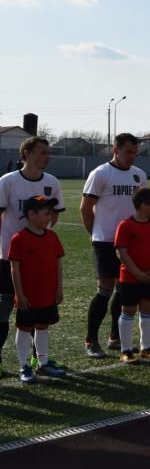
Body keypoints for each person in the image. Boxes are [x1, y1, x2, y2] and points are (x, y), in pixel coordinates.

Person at [0, 136, 65, 372]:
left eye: (48, 153)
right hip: (9, 259)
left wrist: (40, 234)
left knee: (40, 312)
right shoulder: (7, 181)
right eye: (42, 152)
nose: (47, 157)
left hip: (39, 261)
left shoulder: (52, 181)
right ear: (27, 153)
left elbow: (55, 214)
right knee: (5, 311)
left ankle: (40, 360)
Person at [81, 133, 147, 358]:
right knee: (105, 289)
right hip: (106, 241)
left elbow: (142, 209)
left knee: (124, 289)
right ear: (115, 150)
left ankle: (115, 337)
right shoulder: (100, 173)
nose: (132, 157)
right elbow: (85, 208)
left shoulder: (139, 175)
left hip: (131, 243)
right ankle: (91, 340)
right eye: (128, 152)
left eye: (135, 153)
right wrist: (96, 234)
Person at [9, 195, 65, 383]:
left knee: (43, 326)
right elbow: (14, 268)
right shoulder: (19, 238)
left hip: (47, 293)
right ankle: (24, 366)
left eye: (51, 214)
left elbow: (58, 264)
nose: (49, 217)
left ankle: (43, 363)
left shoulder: (52, 237)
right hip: (28, 295)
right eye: (46, 213)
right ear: (31, 214)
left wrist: (59, 288)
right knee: (24, 328)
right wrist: (19, 293)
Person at [114, 188, 150, 364]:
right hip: (130, 277)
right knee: (128, 311)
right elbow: (121, 252)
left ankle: (146, 348)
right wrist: (137, 273)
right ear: (143, 206)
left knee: (147, 309)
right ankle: (125, 350)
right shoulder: (125, 225)